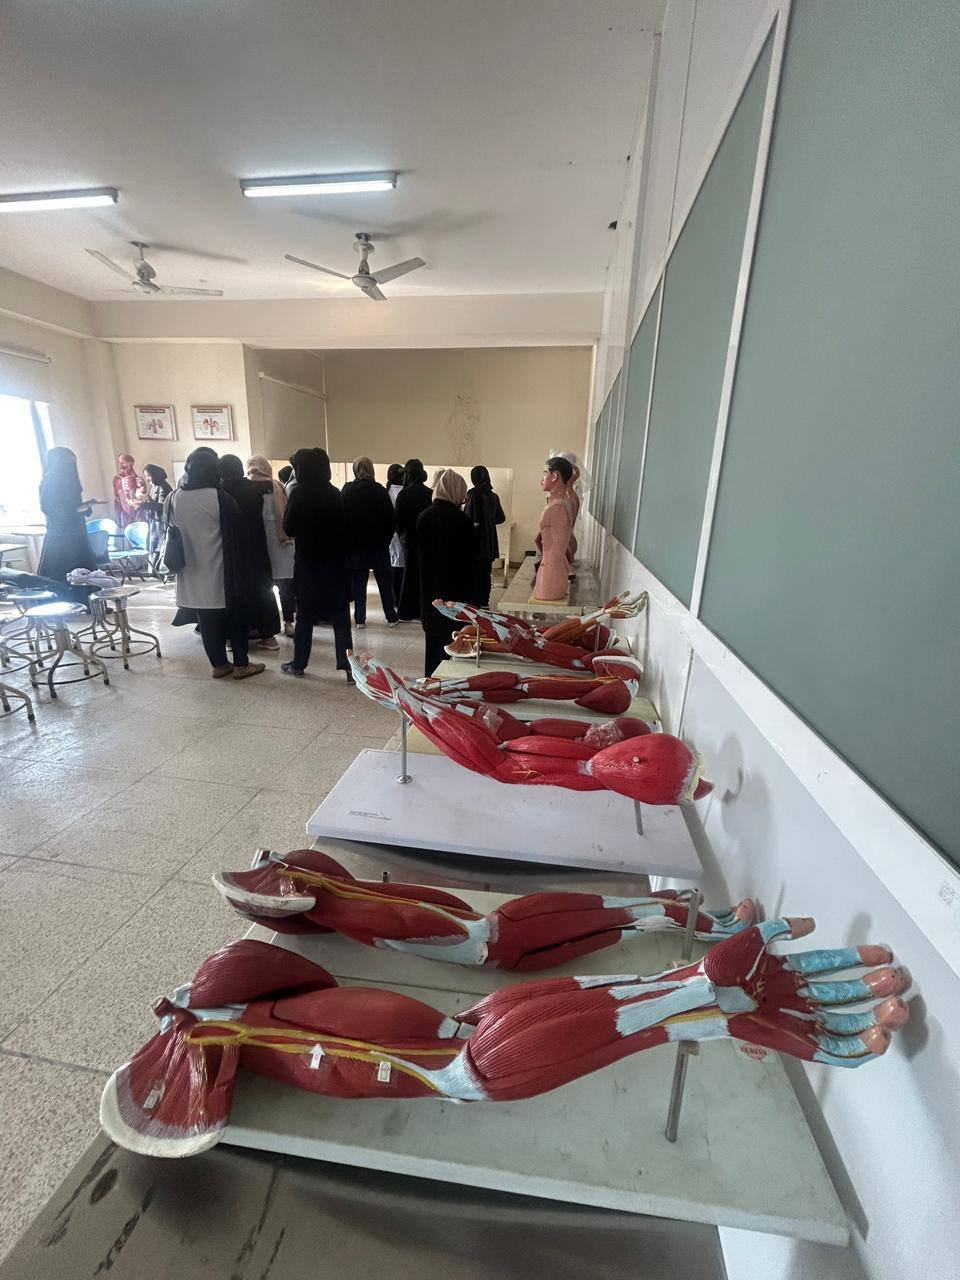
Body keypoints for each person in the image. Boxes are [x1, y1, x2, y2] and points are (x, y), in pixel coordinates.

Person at [166, 447, 264, 680]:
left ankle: (219, 665)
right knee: (236, 619)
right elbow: (238, 533)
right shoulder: (219, 497)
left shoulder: (174, 498)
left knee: (206, 621)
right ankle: (241, 665)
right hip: (222, 570)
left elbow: (169, 528)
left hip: (190, 572)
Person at [281, 448, 353, 681]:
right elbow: (346, 527)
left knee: (304, 617)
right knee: (341, 618)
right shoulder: (334, 493)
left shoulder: (299, 494)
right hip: (336, 564)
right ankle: (349, 668)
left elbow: (289, 527)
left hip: (308, 564)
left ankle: (299, 663)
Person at [417, 468, 478, 675]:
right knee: (456, 644)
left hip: (430, 591)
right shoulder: (463, 521)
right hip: (456, 594)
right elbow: (471, 561)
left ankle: (432, 682)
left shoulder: (424, 517)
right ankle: (452, 685)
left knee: (433, 645)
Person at [218, 455, 281, 651]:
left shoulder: (219, 491)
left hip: (230, 550)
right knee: (262, 590)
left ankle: (232, 639)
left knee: (234, 593)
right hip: (256, 547)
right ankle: (269, 637)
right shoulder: (257, 488)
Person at [340, 456, 399, 628]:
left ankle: (360, 619)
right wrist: (386, 539)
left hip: (355, 546)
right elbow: (391, 519)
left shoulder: (347, 490)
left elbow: (341, 517)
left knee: (359, 584)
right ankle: (391, 617)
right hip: (378, 545)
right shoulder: (380, 490)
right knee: (385, 583)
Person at [247, 455, 296, 638]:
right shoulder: (277, 486)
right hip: (283, 544)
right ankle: (288, 623)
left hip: (258, 546)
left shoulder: (247, 488)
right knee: (285, 589)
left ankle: (267, 629)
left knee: (264, 590)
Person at [36, 447, 99, 582]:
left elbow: (75, 504)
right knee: (61, 573)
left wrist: (85, 507)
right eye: (66, 462)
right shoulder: (50, 480)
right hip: (60, 534)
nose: (70, 465)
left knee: (84, 572)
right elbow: (48, 507)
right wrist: (73, 510)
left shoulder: (71, 481)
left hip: (77, 531)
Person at [394, 458, 433, 620]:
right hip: (427, 541)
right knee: (425, 576)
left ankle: (408, 610)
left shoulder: (404, 494)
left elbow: (398, 520)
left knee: (409, 575)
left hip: (410, 539)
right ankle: (424, 609)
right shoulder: (430, 493)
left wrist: (403, 537)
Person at [463, 464, 506, 607]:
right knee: (485, 573)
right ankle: (484, 601)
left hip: (475, 541)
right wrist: (489, 521)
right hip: (490, 541)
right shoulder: (494, 496)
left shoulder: (473, 494)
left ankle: (474, 603)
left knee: (473, 573)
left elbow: (468, 518)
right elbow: (501, 518)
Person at [533, 456, 573, 601]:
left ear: (555, 476)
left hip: (551, 571)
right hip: (555, 566)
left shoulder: (556, 507)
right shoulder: (564, 502)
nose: (541, 480)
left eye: (545, 473)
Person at [140, 464, 173, 575]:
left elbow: (162, 506)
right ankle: (154, 571)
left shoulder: (163, 487)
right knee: (154, 546)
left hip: (161, 523)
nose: (147, 479)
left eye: (148, 476)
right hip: (155, 522)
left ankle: (159, 572)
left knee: (160, 547)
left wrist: (144, 505)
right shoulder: (155, 486)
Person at [385, 462, 405, 603]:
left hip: (389, 536)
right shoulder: (405, 492)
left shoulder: (386, 493)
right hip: (405, 535)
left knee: (393, 567)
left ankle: (394, 599)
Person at [113, 454, 146, 527]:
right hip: (124, 513)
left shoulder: (138, 479)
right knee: (127, 531)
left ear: (131, 463)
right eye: (119, 463)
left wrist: (140, 491)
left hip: (137, 512)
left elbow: (142, 493)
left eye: (123, 463)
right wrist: (117, 514)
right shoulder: (116, 479)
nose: (120, 465)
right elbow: (116, 497)